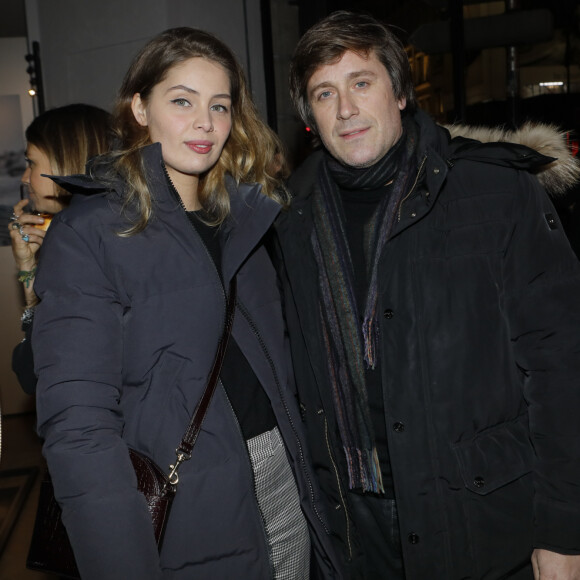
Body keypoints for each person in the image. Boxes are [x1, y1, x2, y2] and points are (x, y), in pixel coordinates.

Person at [273, 10, 580, 580]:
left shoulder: (494, 194)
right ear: (310, 115)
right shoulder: (289, 219)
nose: (345, 109)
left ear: (401, 93)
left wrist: (564, 529)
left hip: (483, 523)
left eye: (361, 83)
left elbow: (562, 369)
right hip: (351, 536)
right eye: (324, 93)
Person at [31, 27, 340, 580]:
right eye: (182, 101)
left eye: (220, 106)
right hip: (182, 500)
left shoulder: (248, 217)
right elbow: (79, 427)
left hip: (279, 477)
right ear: (139, 107)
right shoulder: (91, 233)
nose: (205, 123)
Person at [8, 103, 113, 394]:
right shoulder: (105, 227)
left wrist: (29, 273)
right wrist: (29, 268)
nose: (24, 178)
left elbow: (33, 372)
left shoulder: (75, 240)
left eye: (32, 163)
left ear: (64, 162)